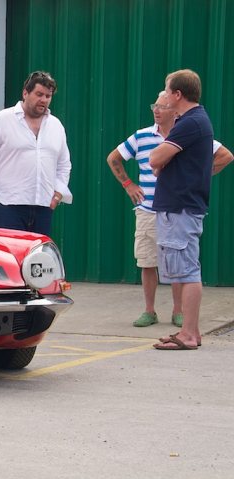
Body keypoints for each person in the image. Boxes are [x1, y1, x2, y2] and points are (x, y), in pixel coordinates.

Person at [107, 92, 233, 328]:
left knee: (177, 263)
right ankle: (149, 310)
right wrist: (128, 184)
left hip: (175, 208)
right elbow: (114, 158)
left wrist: (199, 175)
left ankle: (178, 311)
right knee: (147, 260)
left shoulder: (186, 134)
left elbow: (225, 156)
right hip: (148, 209)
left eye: (162, 106)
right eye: (154, 105)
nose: (156, 110)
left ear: (174, 110)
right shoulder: (142, 136)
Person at [149, 69, 215, 350]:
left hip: (181, 208)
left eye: (167, 89)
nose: (163, 95)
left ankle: (188, 334)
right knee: (185, 269)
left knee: (187, 272)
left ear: (178, 94)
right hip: (180, 206)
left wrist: (160, 159)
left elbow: (155, 157)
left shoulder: (190, 123)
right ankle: (192, 331)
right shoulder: (192, 121)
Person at [0, 71, 72, 236]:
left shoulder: (56, 126)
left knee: (37, 259)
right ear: (25, 93)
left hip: (42, 206)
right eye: (39, 94)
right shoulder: (2, 120)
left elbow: (64, 164)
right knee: (9, 256)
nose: (44, 100)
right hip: (8, 205)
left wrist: (57, 195)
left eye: (48, 96)